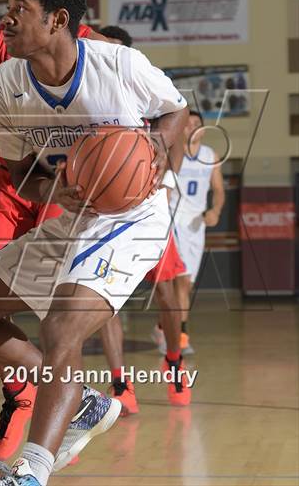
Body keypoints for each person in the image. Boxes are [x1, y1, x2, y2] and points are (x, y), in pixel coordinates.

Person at [0, 0, 188, 486]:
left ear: (58, 20)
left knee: (62, 326)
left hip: (133, 216)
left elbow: (175, 110)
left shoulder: (120, 65)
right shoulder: (3, 86)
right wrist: (53, 191)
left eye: (19, 9)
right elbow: (22, 176)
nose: (5, 19)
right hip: (75, 211)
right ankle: (84, 404)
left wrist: (158, 147)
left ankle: (28, 475)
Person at [98, 26, 191, 408]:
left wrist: (165, 179)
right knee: (101, 300)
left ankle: (173, 361)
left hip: (147, 203)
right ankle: (120, 385)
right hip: (102, 208)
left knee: (166, 294)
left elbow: (178, 131)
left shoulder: (145, 86)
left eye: (117, 50)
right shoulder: (91, 95)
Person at [170, 110, 225, 353]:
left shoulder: (210, 156)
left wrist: (216, 210)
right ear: (181, 128)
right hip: (175, 221)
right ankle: (181, 337)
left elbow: (219, 190)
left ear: (203, 130)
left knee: (187, 285)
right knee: (181, 282)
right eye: (188, 123)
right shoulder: (174, 154)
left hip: (196, 224)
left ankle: (164, 328)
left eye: (197, 124)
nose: (192, 127)